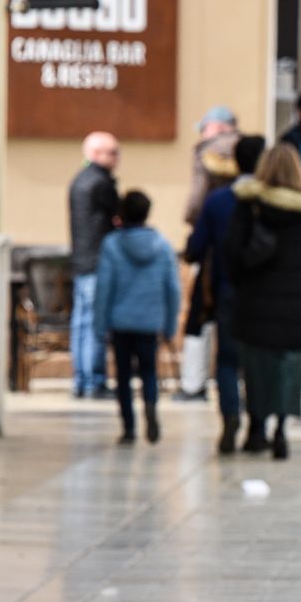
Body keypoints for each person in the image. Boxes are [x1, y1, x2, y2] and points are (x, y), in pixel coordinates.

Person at [224, 143, 301, 459]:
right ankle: (282, 428)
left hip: (255, 301)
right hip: (297, 303)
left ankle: (256, 427)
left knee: (256, 365)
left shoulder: (250, 204)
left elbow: (232, 254)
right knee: (289, 367)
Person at [186, 133, 266, 454]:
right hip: (264, 294)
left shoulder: (219, 200)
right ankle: (259, 426)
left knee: (228, 361)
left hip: (226, 289)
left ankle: (231, 415)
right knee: (259, 361)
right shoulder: (273, 199)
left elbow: (195, 247)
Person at [93, 190, 179, 445]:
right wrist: (170, 324)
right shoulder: (162, 246)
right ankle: (151, 406)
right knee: (149, 371)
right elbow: (172, 288)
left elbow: (104, 287)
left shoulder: (112, 244)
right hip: (150, 322)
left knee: (122, 376)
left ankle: (129, 427)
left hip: (120, 322)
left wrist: (100, 323)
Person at [177, 106, 242, 403]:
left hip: (213, 249)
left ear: (215, 127)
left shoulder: (205, 153)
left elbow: (195, 202)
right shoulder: (252, 149)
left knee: (199, 318)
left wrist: (193, 230)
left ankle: (194, 384)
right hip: (247, 251)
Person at [67, 131, 121, 399]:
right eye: (113, 153)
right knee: (95, 324)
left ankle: (80, 379)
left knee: (81, 323)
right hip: (98, 261)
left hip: (81, 261)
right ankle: (94, 381)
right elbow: (118, 216)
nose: (117, 159)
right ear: (96, 154)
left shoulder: (79, 180)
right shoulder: (100, 183)